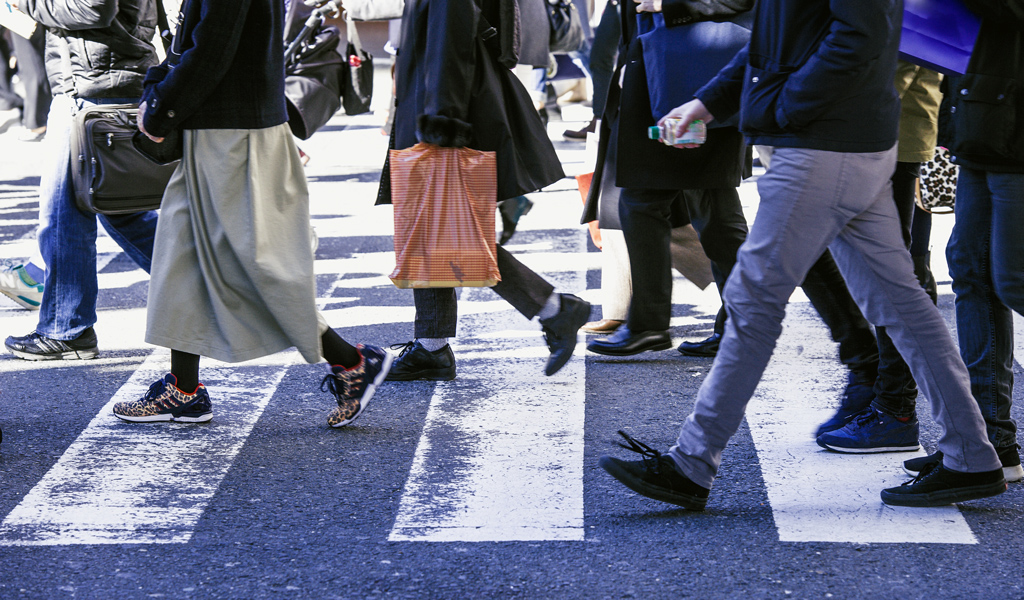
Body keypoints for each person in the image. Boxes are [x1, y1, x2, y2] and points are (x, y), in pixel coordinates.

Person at [599, 0, 1007, 508]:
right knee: (901, 304)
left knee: (752, 303)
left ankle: (691, 463)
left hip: (821, 146)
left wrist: (783, 107)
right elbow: (775, 41)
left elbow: (859, 36)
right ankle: (971, 455)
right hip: (840, 140)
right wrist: (706, 104)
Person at [115, 0, 391, 428]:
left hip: (235, 134)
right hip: (221, 130)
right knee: (180, 256)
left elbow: (211, 50)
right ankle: (183, 389)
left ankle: (352, 362)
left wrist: (159, 107)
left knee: (258, 267)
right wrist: (160, 96)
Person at [378, 0, 591, 381]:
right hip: (445, 101)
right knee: (435, 228)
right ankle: (432, 345)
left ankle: (553, 309)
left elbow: (451, 45)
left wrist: (442, 124)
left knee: (440, 228)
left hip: (445, 108)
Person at [904, 0, 1024, 483]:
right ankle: (993, 438)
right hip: (984, 120)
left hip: (1014, 129)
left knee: (1014, 280)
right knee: (971, 272)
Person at [3, 0, 159, 360]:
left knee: (65, 212)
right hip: (102, 78)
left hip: (90, 86)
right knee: (121, 211)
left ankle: (66, 327)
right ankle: (217, 289)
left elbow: (93, 9)